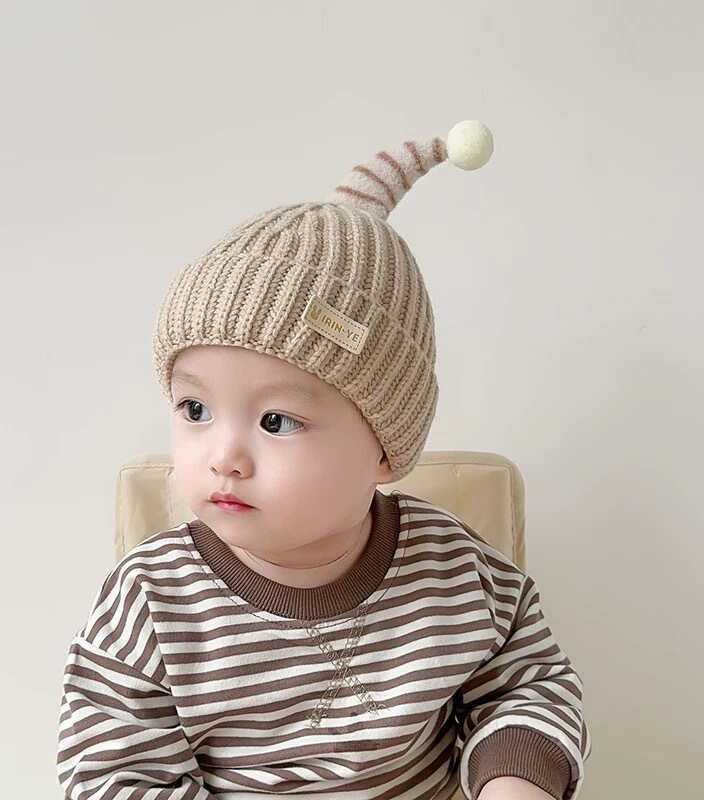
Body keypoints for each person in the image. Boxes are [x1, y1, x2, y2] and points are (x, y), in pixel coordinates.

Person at [57, 121, 589, 800]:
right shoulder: (152, 603)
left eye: (276, 421)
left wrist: (515, 779)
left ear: (383, 447)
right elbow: (114, 775)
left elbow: (529, 687)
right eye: (195, 409)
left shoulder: (452, 570)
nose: (224, 456)